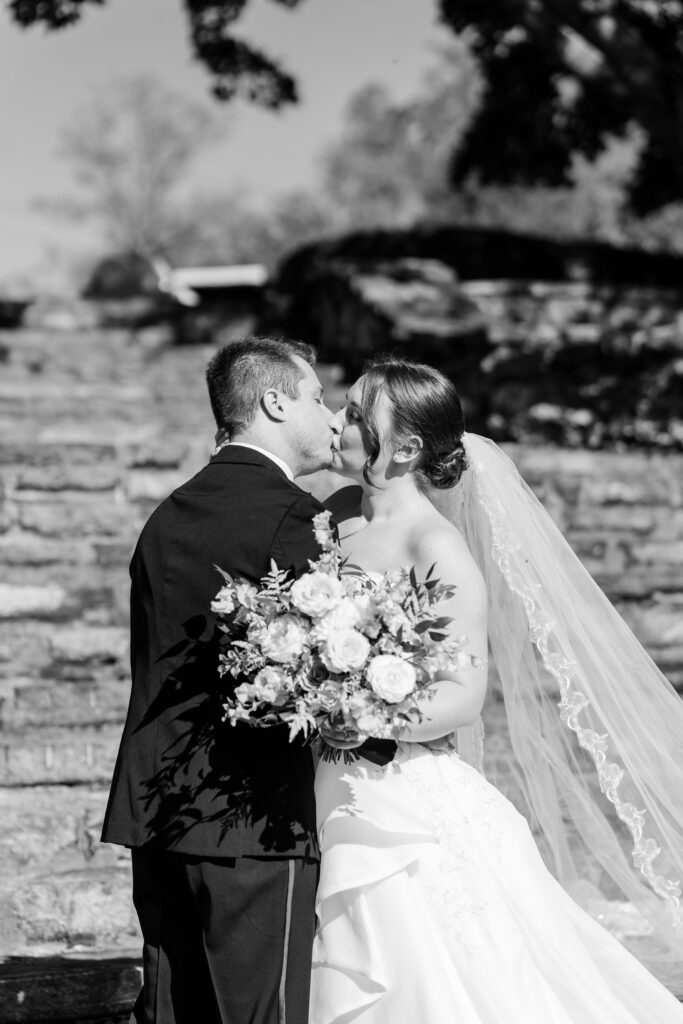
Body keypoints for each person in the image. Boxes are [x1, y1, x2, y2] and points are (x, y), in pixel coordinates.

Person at [311, 357, 683, 1023]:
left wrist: (361, 712)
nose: (335, 423)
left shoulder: (435, 546)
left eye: (357, 416)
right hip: (314, 783)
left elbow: (460, 694)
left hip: (397, 798)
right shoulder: (325, 517)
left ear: (404, 447)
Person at [102, 336, 340, 1024]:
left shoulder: (164, 517)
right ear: (272, 402)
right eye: (316, 398)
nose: (330, 418)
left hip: (156, 816)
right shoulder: (292, 516)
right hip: (252, 820)